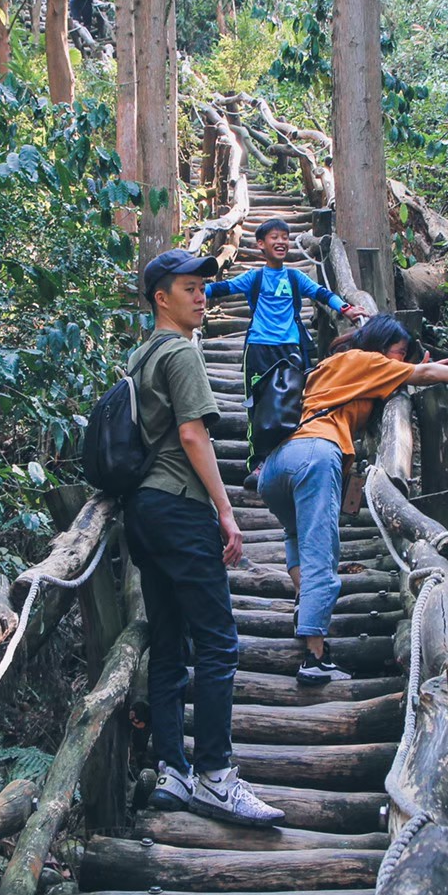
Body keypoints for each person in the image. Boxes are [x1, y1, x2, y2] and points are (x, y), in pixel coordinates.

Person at [258, 315, 448, 684]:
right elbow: (422, 377)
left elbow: (411, 373)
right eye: (398, 354)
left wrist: (414, 367)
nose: (400, 362)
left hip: (276, 465)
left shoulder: (332, 366)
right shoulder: (367, 361)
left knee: (297, 535)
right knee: (321, 553)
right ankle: (314, 657)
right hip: (316, 455)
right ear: (380, 348)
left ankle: (305, 605)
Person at [124, 248, 286, 826]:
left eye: (202, 288)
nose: (200, 297)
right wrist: (226, 510)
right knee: (218, 642)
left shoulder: (139, 355)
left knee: (170, 645)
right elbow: (194, 436)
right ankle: (217, 776)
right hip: (180, 505)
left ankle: (173, 771)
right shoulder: (181, 353)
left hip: (142, 512)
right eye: (189, 288)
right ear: (160, 297)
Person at [205, 218, 365, 490]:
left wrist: (345, 308)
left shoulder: (294, 277)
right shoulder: (254, 277)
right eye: (274, 237)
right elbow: (221, 288)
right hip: (258, 348)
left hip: (290, 348)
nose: (281, 242)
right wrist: (192, 289)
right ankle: (258, 464)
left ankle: (290, 459)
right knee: (256, 406)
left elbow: (322, 293)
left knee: (293, 404)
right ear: (260, 244)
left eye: (284, 237)